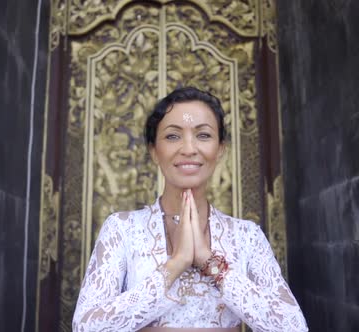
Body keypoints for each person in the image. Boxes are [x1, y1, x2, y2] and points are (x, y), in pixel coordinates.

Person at [72, 87, 308, 332]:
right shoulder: (122, 229)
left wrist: (209, 262)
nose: (188, 148)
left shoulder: (247, 236)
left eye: (203, 135)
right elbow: (86, 327)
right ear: (154, 151)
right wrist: (176, 264)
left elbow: (292, 327)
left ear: (220, 149)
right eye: (173, 136)